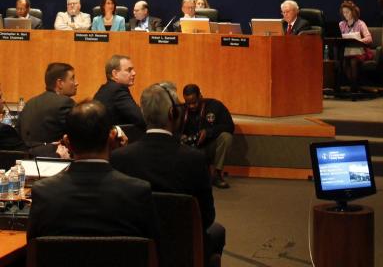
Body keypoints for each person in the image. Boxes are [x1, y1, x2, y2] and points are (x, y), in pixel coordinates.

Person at [112, 83, 227, 265]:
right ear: (173, 114)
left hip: (136, 251)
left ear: (143, 114)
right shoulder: (195, 159)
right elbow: (206, 216)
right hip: (184, 250)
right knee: (218, 232)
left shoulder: (119, 158)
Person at [27, 100, 159, 240]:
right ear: (112, 137)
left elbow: (33, 253)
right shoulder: (138, 192)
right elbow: (152, 253)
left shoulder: (43, 193)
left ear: (67, 143)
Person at [182, 84, 235, 189]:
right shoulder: (182, 110)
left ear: (200, 97)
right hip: (190, 148)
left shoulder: (215, 106)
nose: (191, 106)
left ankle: (217, 174)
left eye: (194, 102)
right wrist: (181, 136)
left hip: (210, 146)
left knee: (226, 137)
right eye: (188, 103)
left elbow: (229, 126)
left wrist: (208, 132)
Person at [18, 62, 78, 151]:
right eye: (72, 78)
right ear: (60, 83)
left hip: (26, 160)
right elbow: (79, 135)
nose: (77, 83)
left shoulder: (29, 103)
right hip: (55, 161)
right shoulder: (65, 103)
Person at [93, 55, 146, 132]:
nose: (134, 73)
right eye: (129, 70)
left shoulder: (106, 88)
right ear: (115, 74)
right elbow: (141, 118)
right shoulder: (117, 90)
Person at [338, 0, 375, 93]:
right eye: (344, 12)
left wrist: (358, 40)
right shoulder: (341, 24)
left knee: (353, 61)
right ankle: (354, 85)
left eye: (347, 12)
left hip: (360, 51)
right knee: (344, 61)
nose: (345, 14)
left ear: (353, 12)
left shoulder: (360, 23)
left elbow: (369, 38)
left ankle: (354, 88)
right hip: (347, 51)